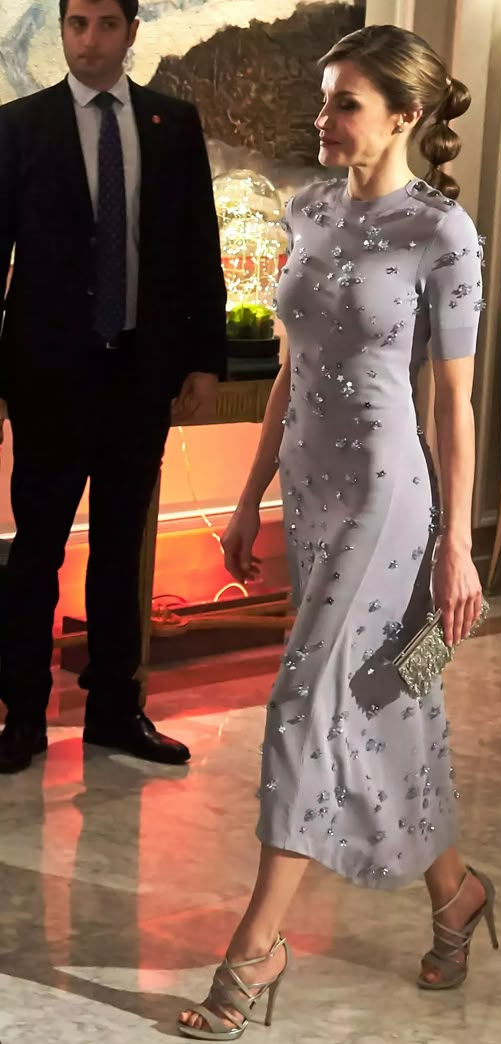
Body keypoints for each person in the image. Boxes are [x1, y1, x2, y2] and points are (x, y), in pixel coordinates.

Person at [177, 24, 497, 1040]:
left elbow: (454, 404)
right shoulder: (310, 209)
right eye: (323, 100)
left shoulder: (442, 234)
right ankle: (456, 896)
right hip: (313, 498)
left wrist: (455, 544)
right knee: (389, 702)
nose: (322, 119)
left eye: (344, 102)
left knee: (303, 707)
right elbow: (288, 370)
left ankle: (255, 951)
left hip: (388, 504)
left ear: (403, 115)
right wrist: (246, 499)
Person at [0, 0, 226, 774]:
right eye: (76, 24)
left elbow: (200, 243)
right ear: (63, 30)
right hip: (48, 377)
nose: (89, 40)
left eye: (104, 24)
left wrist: (203, 360)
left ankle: (114, 711)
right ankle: (22, 715)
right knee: (36, 550)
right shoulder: (19, 126)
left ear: (132, 31)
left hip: (138, 372)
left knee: (123, 548)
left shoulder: (172, 124)